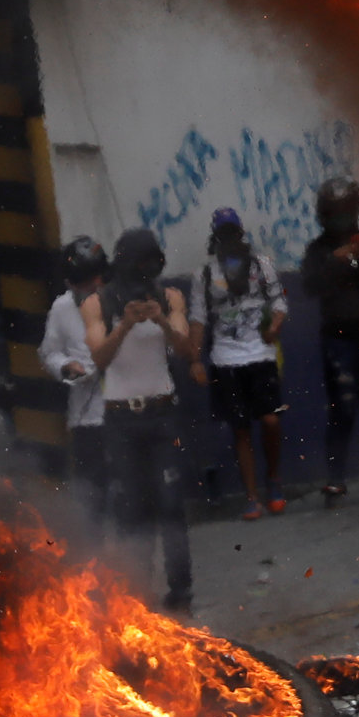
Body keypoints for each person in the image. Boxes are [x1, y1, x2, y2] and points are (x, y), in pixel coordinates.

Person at [87, 229, 196, 609]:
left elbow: (187, 349)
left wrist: (161, 320)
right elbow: (98, 359)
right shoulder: (98, 302)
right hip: (121, 417)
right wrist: (126, 324)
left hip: (163, 411)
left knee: (170, 502)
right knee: (132, 507)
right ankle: (137, 591)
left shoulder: (169, 297)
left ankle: (181, 589)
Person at [190, 206, 289, 517]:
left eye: (233, 232)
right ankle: (251, 496)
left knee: (271, 420)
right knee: (240, 428)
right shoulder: (205, 275)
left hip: (260, 353)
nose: (229, 238)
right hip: (225, 357)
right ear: (215, 237)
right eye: (224, 233)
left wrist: (274, 326)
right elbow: (197, 318)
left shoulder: (262, 266)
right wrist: (194, 359)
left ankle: (273, 479)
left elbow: (280, 301)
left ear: (241, 234)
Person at [302, 177, 359, 504]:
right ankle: (336, 479)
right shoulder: (318, 250)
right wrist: (333, 262)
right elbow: (309, 286)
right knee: (343, 409)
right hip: (337, 340)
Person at [39, 236, 111, 529]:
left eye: (93, 281)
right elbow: (49, 352)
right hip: (86, 418)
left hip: (125, 412)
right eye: (79, 284)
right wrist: (65, 366)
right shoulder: (61, 308)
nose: (87, 289)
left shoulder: (123, 301)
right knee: (91, 498)